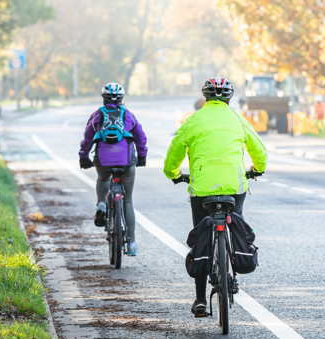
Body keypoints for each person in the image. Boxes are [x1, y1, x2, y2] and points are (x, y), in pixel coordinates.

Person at [163, 77, 267, 316]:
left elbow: (173, 154)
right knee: (236, 219)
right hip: (233, 186)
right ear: (229, 98)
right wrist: (257, 168)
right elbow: (259, 151)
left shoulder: (194, 120)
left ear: (206, 97)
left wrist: (174, 174)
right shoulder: (238, 119)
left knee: (202, 236)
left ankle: (200, 298)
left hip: (202, 188)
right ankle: (237, 248)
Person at [79, 83, 147, 256]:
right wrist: (142, 156)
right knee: (128, 200)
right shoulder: (128, 115)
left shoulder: (97, 115)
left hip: (103, 160)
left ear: (104, 98)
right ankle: (131, 243)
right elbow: (140, 136)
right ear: (121, 98)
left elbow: (87, 138)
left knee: (103, 179)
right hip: (126, 161)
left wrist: (84, 157)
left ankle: (102, 203)